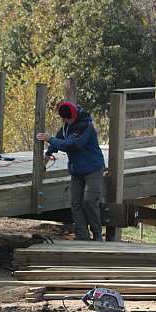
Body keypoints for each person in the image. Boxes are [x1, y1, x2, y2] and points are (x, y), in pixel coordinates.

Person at [36, 101, 105, 241]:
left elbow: (72, 145)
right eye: (64, 119)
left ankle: (97, 235)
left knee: (89, 201)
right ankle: (82, 237)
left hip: (93, 169)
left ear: (74, 115)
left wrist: (50, 139)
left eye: (68, 119)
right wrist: (49, 152)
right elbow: (60, 137)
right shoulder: (68, 124)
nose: (66, 121)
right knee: (75, 204)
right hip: (76, 170)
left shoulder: (86, 126)